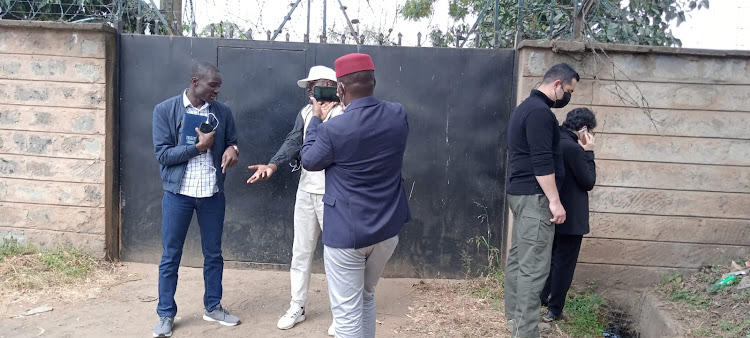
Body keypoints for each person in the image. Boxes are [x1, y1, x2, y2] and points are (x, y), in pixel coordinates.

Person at [300, 53, 411, 338]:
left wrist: (316, 118)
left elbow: (310, 160)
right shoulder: (398, 114)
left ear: (339, 89)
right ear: (373, 81)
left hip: (347, 236)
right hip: (387, 231)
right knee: (367, 295)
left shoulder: (332, 129)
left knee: (347, 319)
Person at [246, 65, 342, 335]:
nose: (310, 91)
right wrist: (273, 165)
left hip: (333, 194)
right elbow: (294, 141)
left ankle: (341, 313)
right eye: (310, 87)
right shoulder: (305, 113)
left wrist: (321, 118)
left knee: (336, 257)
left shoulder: (343, 114)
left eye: (315, 86)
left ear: (331, 86)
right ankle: (297, 307)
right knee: (300, 253)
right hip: (306, 192)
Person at [151, 61, 240, 337]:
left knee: (213, 254)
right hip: (179, 195)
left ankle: (213, 306)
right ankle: (166, 314)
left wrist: (232, 150)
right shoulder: (165, 110)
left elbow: (233, 141)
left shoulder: (222, 112)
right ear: (195, 82)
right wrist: (196, 148)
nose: (217, 91)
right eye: (213, 85)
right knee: (171, 256)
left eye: (219, 86)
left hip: (212, 194)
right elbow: (163, 155)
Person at [504, 63, 579, 338]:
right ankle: (525, 331)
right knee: (533, 267)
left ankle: (517, 320)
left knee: (518, 260)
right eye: (569, 90)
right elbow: (541, 160)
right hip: (535, 198)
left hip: (520, 193)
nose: (568, 96)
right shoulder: (539, 113)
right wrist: (555, 201)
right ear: (557, 84)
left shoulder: (525, 108)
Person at [540, 107, 597, 322]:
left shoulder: (556, 142)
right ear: (584, 129)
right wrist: (589, 151)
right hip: (571, 218)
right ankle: (555, 310)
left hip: (552, 212)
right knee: (565, 263)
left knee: (551, 259)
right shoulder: (573, 148)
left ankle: (542, 298)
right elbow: (588, 181)